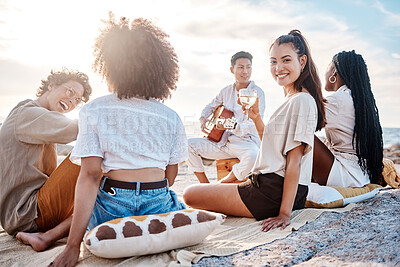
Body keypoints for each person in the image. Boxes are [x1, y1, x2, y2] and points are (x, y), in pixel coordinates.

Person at [51, 14, 187, 266]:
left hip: (113, 208)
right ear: (159, 67)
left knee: (92, 202)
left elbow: (90, 176)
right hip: (157, 204)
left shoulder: (93, 110)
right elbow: (171, 175)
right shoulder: (171, 117)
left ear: (110, 65)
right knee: (178, 201)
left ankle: (53, 237)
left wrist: (72, 247)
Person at [183, 30, 325, 232]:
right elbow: (269, 145)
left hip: (272, 192)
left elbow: (295, 161)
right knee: (197, 191)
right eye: (273, 62)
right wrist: (256, 118)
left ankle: (220, 187)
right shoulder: (292, 99)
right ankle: (220, 186)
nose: (278, 68)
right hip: (270, 187)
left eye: (286, 60)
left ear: (302, 62)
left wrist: (285, 214)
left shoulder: (301, 100)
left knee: (189, 194)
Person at [0, 69, 92, 250]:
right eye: (70, 92)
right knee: (94, 156)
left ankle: (51, 235)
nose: (72, 101)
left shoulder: (40, 119)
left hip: (25, 214)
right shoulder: (27, 113)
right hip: (28, 213)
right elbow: (77, 129)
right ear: (51, 85)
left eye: (77, 100)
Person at [188, 51, 265, 183]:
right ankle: (205, 185)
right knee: (187, 145)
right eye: (241, 67)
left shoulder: (257, 93)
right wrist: (203, 119)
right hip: (223, 141)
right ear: (232, 69)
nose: (245, 71)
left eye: (248, 67)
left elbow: (252, 125)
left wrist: (232, 125)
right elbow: (210, 106)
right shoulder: (226, 91)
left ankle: (221, 184)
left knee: (253, 157)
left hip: (246, 142)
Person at [312, 50, 384, 187]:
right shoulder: (358, 100)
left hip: (345, 176)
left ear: (334, 72)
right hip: (360, 175)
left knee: (301, 133)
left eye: (327, 67)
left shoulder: (339, 100)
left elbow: (302, 119)